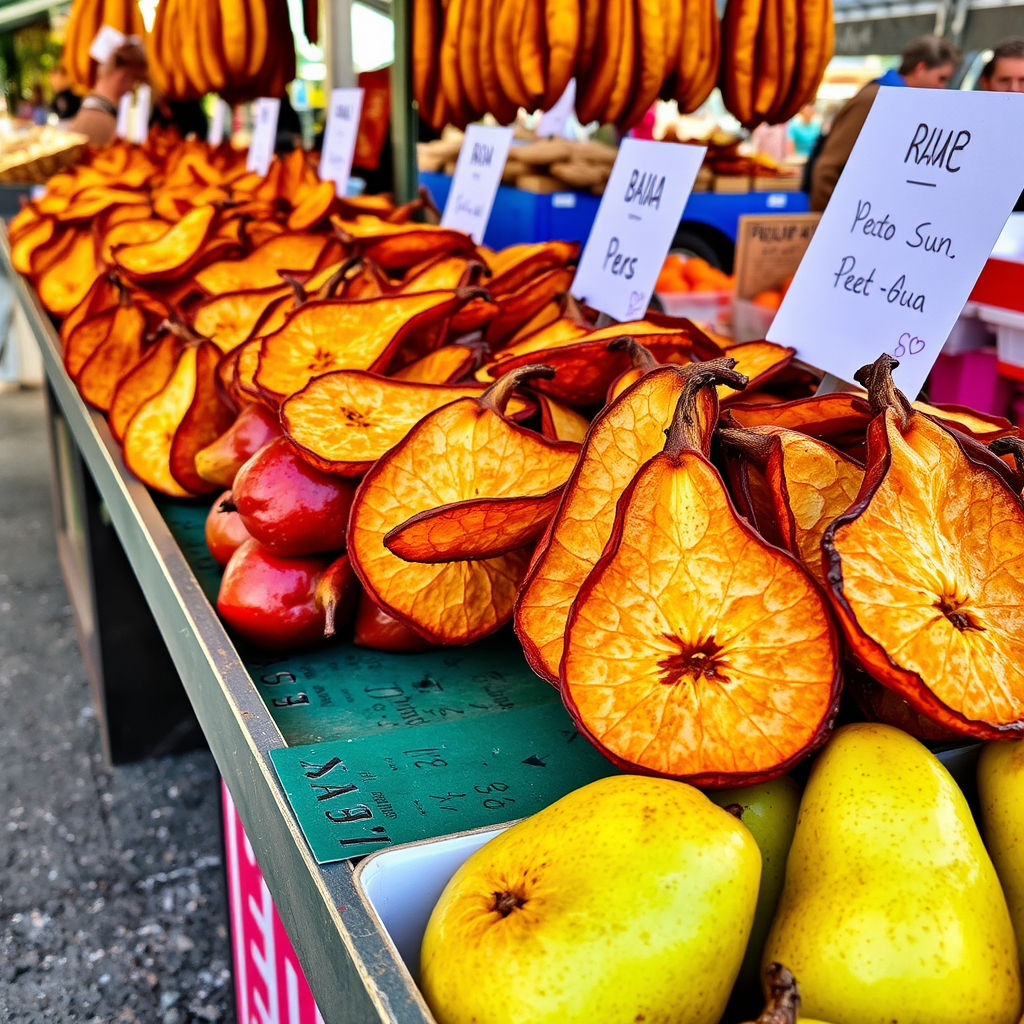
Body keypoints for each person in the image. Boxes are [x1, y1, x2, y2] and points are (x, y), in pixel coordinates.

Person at [809, 35, 960, 211]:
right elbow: (828, 169)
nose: (943, 87)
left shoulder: (898, 100)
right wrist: (832, 223)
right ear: (920, 68)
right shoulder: (876, 99)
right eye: (941, 78)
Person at [66, 39, 148, 145]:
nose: (134, 89)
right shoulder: (97, 122)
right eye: (137, 79)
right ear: (122, 76)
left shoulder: (95, 115)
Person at [979, 38, 1024, 210]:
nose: (1014, 88)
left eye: (1023, 80)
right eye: (1004, 80)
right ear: (986, 82)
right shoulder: (966, 131)